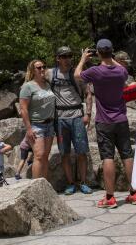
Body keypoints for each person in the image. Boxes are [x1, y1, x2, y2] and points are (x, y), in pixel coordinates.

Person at [75, 39, 136, 209]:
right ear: (112, 52)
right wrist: (110, 58)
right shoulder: (120, 72)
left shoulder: (95, 71)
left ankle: (110, 197)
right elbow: (122, 68)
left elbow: (77, 75)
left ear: (99, 53)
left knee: (107, 157)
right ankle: (134, 193)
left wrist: (82, 59)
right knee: (127, 155)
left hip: (104, 122)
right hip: (121, 120)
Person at [49, 45, 94, 195]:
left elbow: (88, 93)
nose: (67, 59)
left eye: (69, 56)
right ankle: (70, 183)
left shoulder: (78, 74)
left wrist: (88, 113)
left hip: (77, 116)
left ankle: (83, 182)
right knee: (64, 153)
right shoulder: (50, 74)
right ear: (58, 58)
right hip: (60, 118)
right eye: (64, 56)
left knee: (81, 152)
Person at [19, 59, 55, 180]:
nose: (42, 69)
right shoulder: (27, 87)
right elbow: (23, 109)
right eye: (39, 68)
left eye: (44, 67)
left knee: (45, 156)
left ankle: (45, 186)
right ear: (32, 71)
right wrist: (29, 129)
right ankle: (36, 187)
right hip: (36, 125)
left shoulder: (47, 84)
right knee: (38, 156)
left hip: (50, 124)